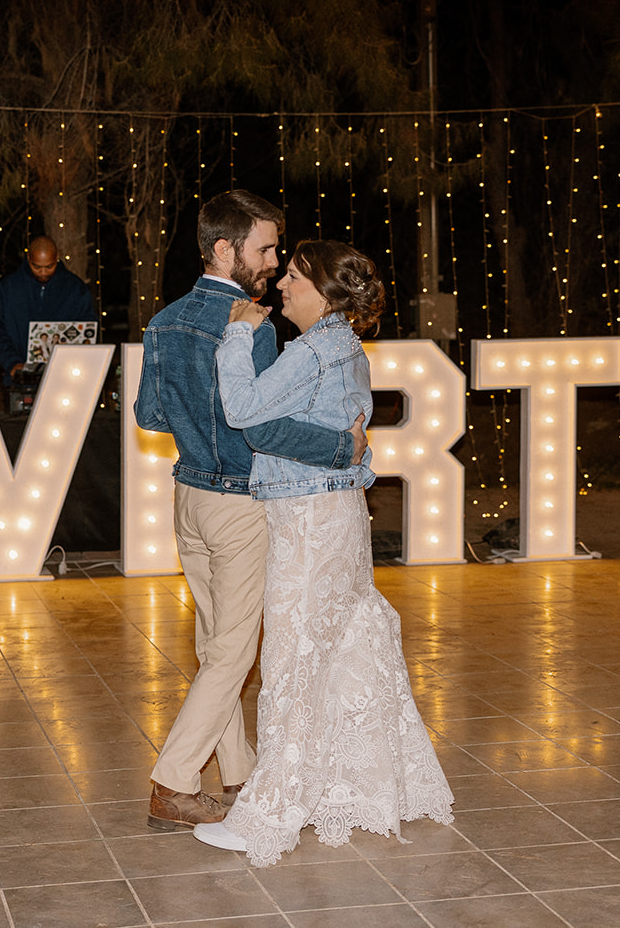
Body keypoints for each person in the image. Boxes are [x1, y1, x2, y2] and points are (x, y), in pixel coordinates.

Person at [194, 239, 455, 866]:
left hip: (310, 523)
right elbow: (343, 434)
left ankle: (273, 813)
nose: (282, 283)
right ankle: (352, 786)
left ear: (326, 292)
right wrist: (348, 451)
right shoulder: (342, 346)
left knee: (295, 658)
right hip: (331, 516)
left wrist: (235, 336)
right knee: (338, 647)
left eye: (294, 275)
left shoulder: (316, 349)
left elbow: (242, 410)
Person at [134, 191, 367, 833]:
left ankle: (239, 771)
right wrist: (342, 446)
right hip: (241, 505)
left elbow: (149, 416)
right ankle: (174, 780)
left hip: (189, 498)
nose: (271, 263)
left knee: (217, 643)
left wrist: (192, 422)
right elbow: (265, 429)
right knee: (233, 652)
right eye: (264, 249)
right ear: (223, 249)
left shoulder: (164, 322)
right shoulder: (254, 327)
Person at [0, 236, 95, 385]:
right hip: (20, 378)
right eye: (36, 267)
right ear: (28, 258)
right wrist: (12, 362)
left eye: (49, 266)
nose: (43, 272)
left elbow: (87, 326)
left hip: (65, 377)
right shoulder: (10, 287)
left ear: (57, 258)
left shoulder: (75, 287)